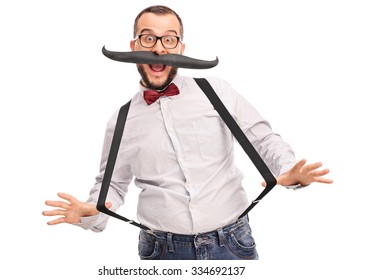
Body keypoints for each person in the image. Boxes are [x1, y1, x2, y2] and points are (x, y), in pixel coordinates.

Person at [42, 5, 333, 260]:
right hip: (161, 251)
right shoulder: (120, 121)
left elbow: (263, 138)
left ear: (181, 48)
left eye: (169, 39)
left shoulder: (217, 91)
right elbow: (112, 187)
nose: (159, 48)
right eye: (148, 37)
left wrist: (286, 169)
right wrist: (91, 211)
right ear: (134, 46)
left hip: (232, 244)